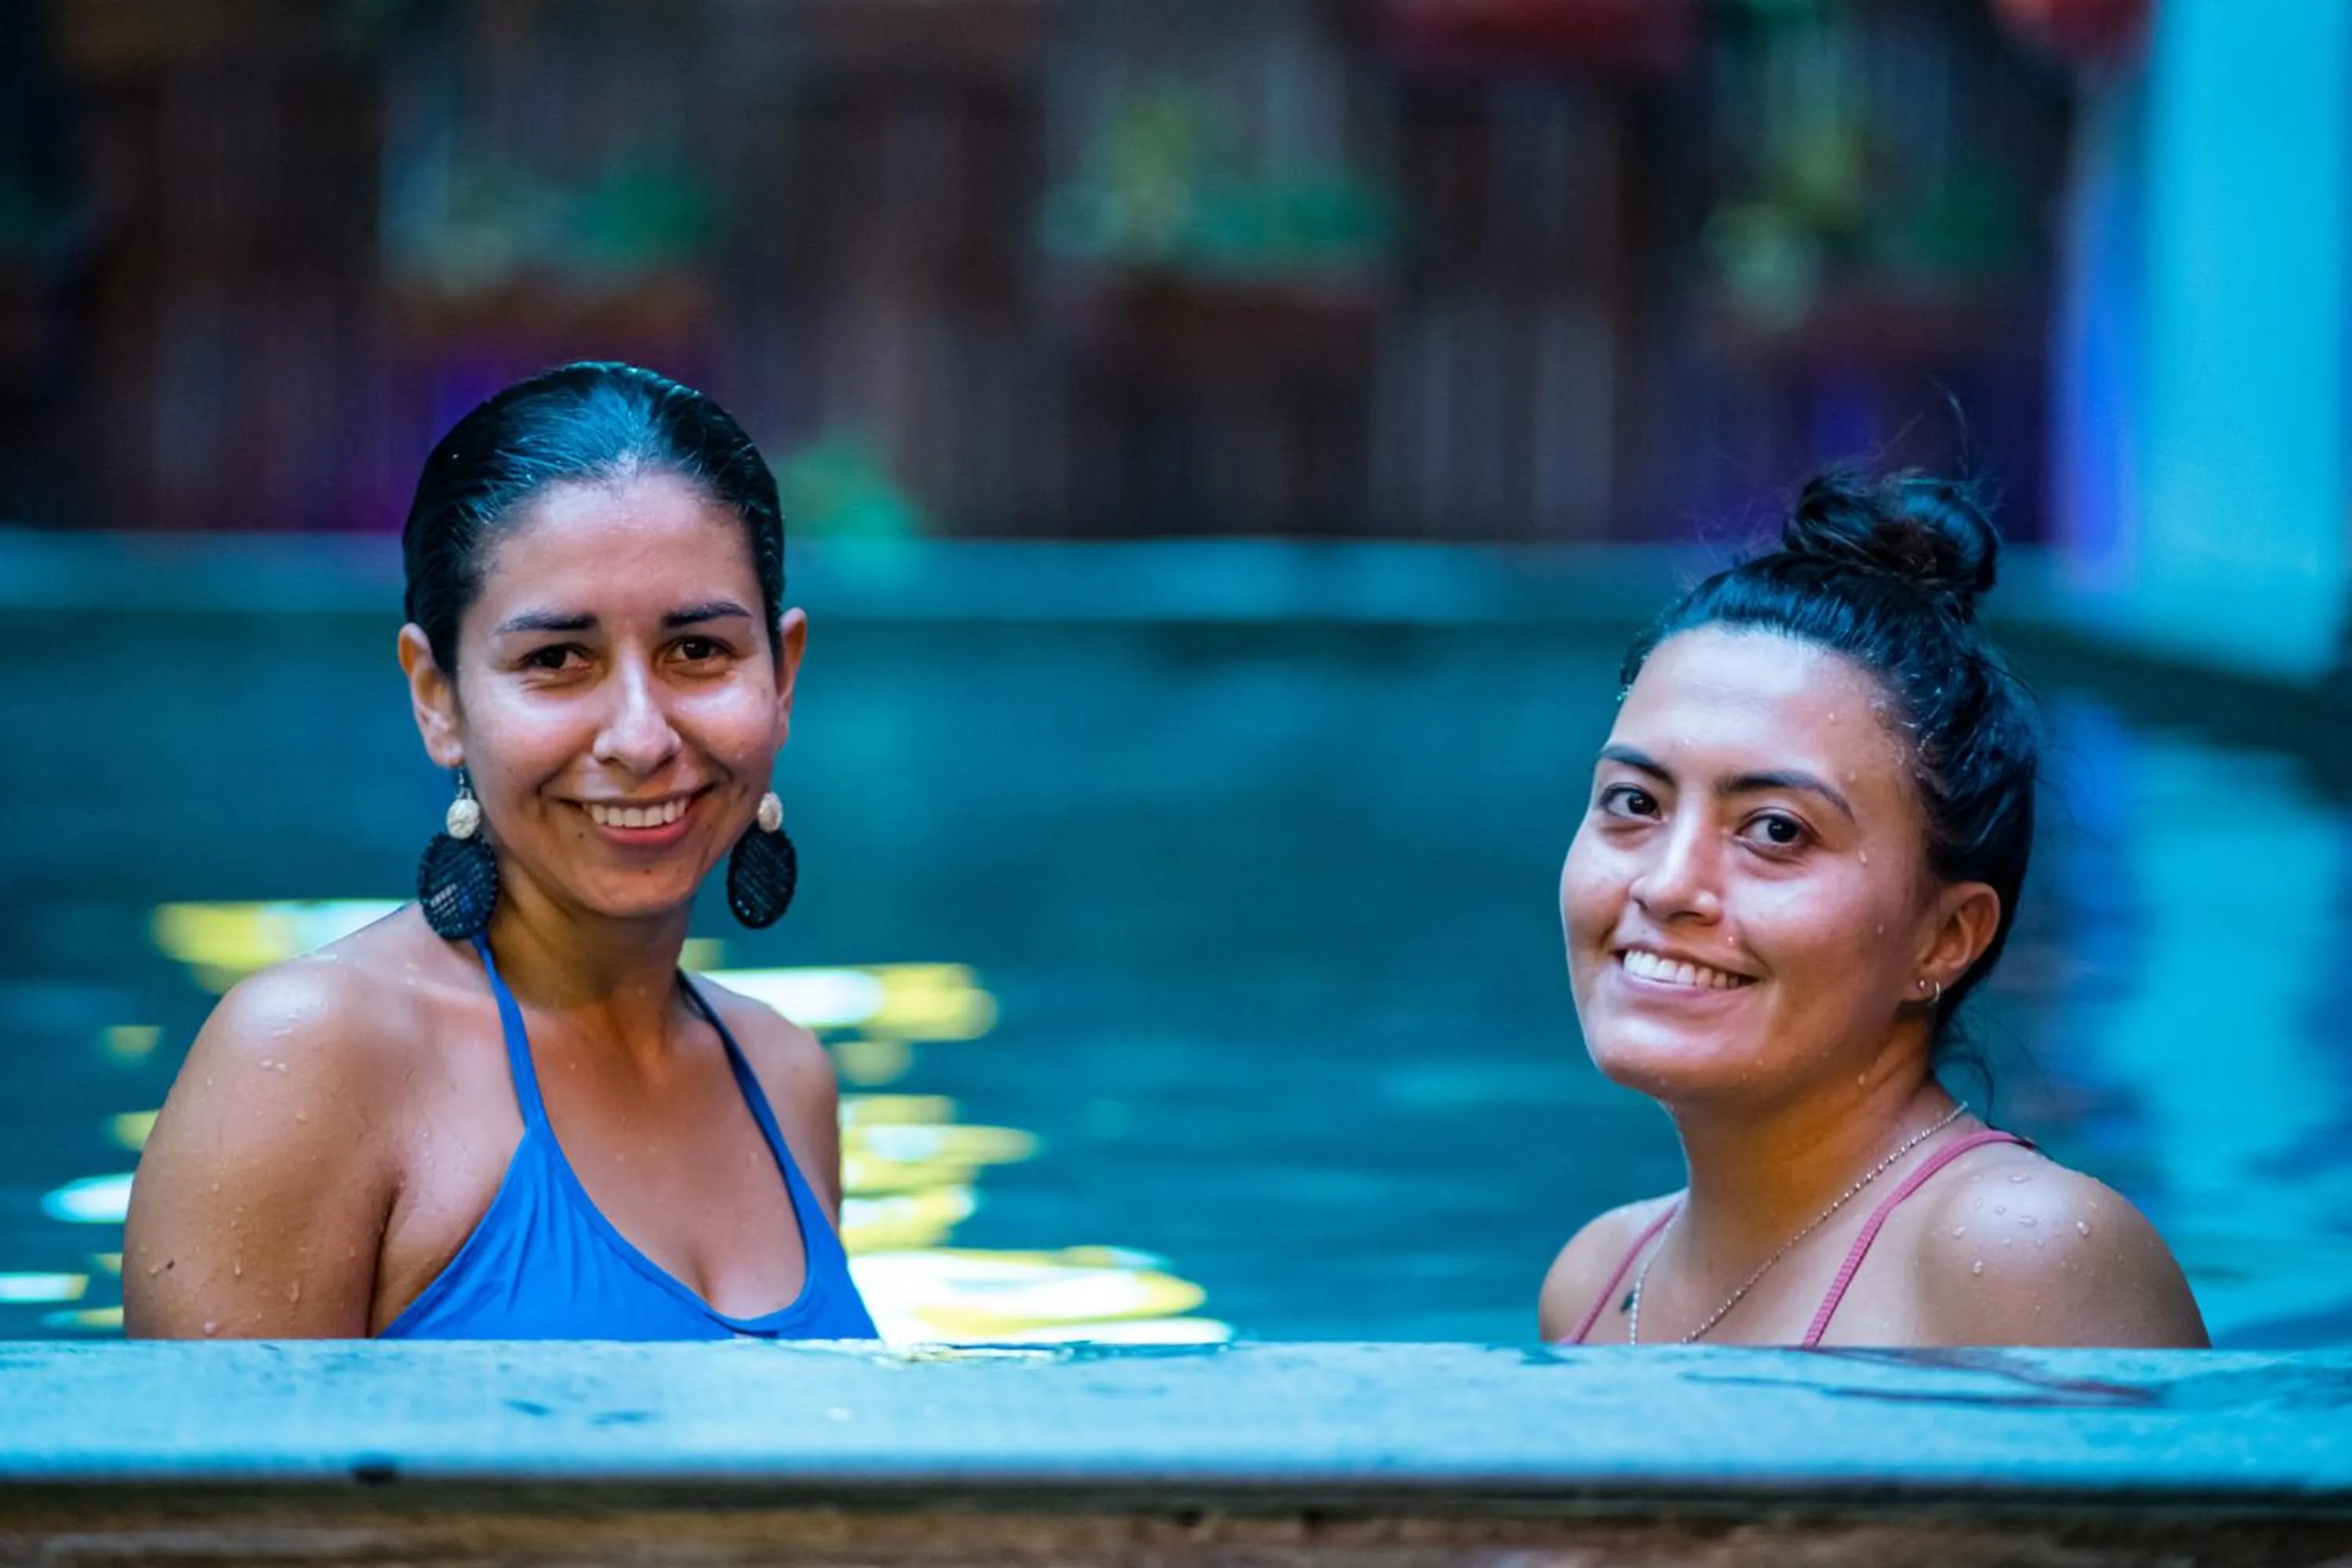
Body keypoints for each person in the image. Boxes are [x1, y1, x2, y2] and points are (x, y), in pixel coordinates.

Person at [124, 362, 877, 1340]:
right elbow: (204, 1495)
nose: (641, 738)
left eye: (698, 650)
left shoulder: (784, 1074)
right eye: (557, 659)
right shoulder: (315, 1056)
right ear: (437, 697)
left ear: (783, 677)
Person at [1538, 469, 2207, 1348]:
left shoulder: (2017, 1253)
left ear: (1946, 935)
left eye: (1775, 829)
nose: (1665, 884)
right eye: (1633, 803)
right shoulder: (1599, 1279)